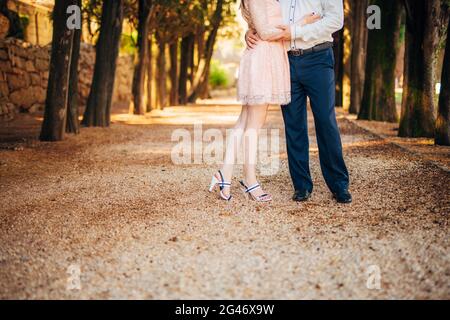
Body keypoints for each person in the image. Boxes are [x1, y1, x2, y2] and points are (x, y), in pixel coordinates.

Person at [209, 0, 320, 202]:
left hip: (266, 56)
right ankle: (250, 180)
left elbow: (267, 29)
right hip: (262, 59)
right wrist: (302, 22)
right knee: (253, 124)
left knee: (244, 122)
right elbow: (266, 32)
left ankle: (224, 173)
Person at [246, 0, 352, 204]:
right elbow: (266, 15)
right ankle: (301, 185)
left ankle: (339, 184)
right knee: (293, 125)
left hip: (318, 58)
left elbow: (335, 20)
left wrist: (296, 32)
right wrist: (251, 32)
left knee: (326, 121)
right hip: (285, 60)